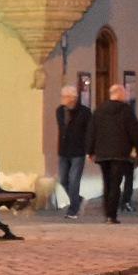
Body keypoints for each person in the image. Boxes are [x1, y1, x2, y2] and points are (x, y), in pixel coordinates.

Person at [88, 82, 138, 223]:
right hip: (120, 152)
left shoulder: (99, 110)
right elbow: (134, 131)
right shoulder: (126, 110)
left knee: (107, 182)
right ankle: (112, 215)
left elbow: (92, 131)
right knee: (115, 183)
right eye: (124, 93)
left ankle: (107, 213)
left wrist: (90, 151)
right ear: (120, 94)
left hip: (103, 152)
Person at [54, 83, 92, 216]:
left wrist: (90, 150)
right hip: (63, 150)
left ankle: (73, 210)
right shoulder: (60, 110)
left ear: (72, 98)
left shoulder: (85, 112)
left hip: (78, 151)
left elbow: (89, 132)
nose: (62, 99)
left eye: (64, 96)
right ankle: (79, 200)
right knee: (63, 180)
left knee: (74, 180)